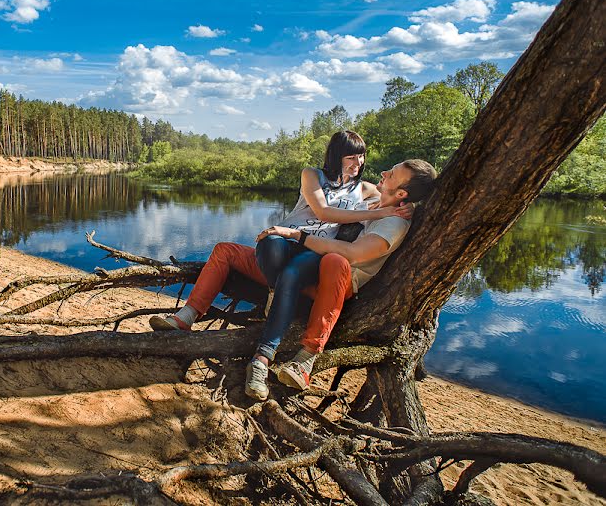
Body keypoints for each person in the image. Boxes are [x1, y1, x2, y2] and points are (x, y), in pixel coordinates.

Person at [150, 130, 410, 333]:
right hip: (283, 242)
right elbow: (323, 212)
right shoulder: (312, 175)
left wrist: (410, 207)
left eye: (361, 156)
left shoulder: (363, 189)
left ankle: (276, 294)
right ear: (336, 157)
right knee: (224, 251)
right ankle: (186, 317)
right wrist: (378, 213)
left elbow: (394, 199)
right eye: (351, 157)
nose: (358, 162)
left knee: (286, 264)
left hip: (311, 254)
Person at [245, 158, 437, 400]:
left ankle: (306, 359)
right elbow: (338, 204)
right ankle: (263, 354)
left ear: (401, 192)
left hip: (340, 284)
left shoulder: (395, 222)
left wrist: (297, 235)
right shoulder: (377, 204)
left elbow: (353, 254)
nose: (384, 172)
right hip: (316, 276)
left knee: (335, 260)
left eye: (392, 174)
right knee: (286, 265)